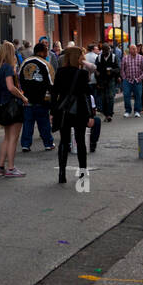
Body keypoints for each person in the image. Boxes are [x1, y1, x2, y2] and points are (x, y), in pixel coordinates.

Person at [52, 46, 96, 184]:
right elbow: (86, 94)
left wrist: (53, 112)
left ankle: (61, 173)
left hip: (64, 110)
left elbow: (54, 93)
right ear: (78, 58)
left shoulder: (60, 72)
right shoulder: (81, 73)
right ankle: (82, 172)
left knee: (64, 141)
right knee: (80, 140)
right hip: (79, 110)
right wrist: (91, 115)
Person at [0, 40, 28, 178]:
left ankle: (0, 166)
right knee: (13, 138)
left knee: (7, 138)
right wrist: (23, 97)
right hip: (12, 104)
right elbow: (10, 87)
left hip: (2, 103)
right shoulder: (8, 67)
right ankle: (11, 168)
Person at [19, 45, 56, 153]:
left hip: (27, 98)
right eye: (46, 51)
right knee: (44, 122)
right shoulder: (45, 64)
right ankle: (48, 143)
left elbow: (20, 80)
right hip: (41, 99)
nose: (47, 54)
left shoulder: (25, 63)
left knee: (28, 123)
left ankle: (25, 144)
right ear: (42, 52)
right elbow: (51, 83)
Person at [121, 42, 143, 117]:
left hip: (137, 80)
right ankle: (127, 111)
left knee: (138, 96)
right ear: (129, 50)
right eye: (132, 49)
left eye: (135, 48)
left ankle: (137, 111)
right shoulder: (125, 58)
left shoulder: (141, 58)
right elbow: (122, 69)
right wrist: (124, 78)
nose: (134, 50)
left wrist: (140, 78)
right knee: (126, 95)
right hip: (127, 80)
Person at [95, 42, 117, 121]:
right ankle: (105, 113)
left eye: (106, 51)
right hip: (102, 80)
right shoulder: (99, 57)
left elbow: (118, 68)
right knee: (103, 98)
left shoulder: (114, 57)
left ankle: (109, 114)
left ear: (109, 50)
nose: (105, 53)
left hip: (111, 79)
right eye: (104, 51)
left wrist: (112, 70)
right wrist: (98, 80)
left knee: (110, 97)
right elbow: (96, 69)